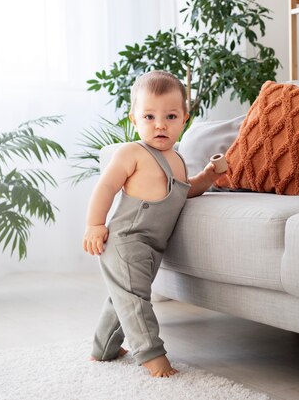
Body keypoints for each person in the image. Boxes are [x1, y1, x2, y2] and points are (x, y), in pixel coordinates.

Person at [83, 70, 224, 377]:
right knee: (135, 300)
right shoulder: (131, 153)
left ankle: (103, 348)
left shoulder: (178, 159)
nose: (160, 124)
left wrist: (210, 177)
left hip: (152, 246)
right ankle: (151, 355)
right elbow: (105, 187)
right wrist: (95, 225)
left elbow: (187, 189)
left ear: (184, 119)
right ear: (134, 120)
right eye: (149, 116)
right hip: (125, 241)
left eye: (170, 116)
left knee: (124, 297)